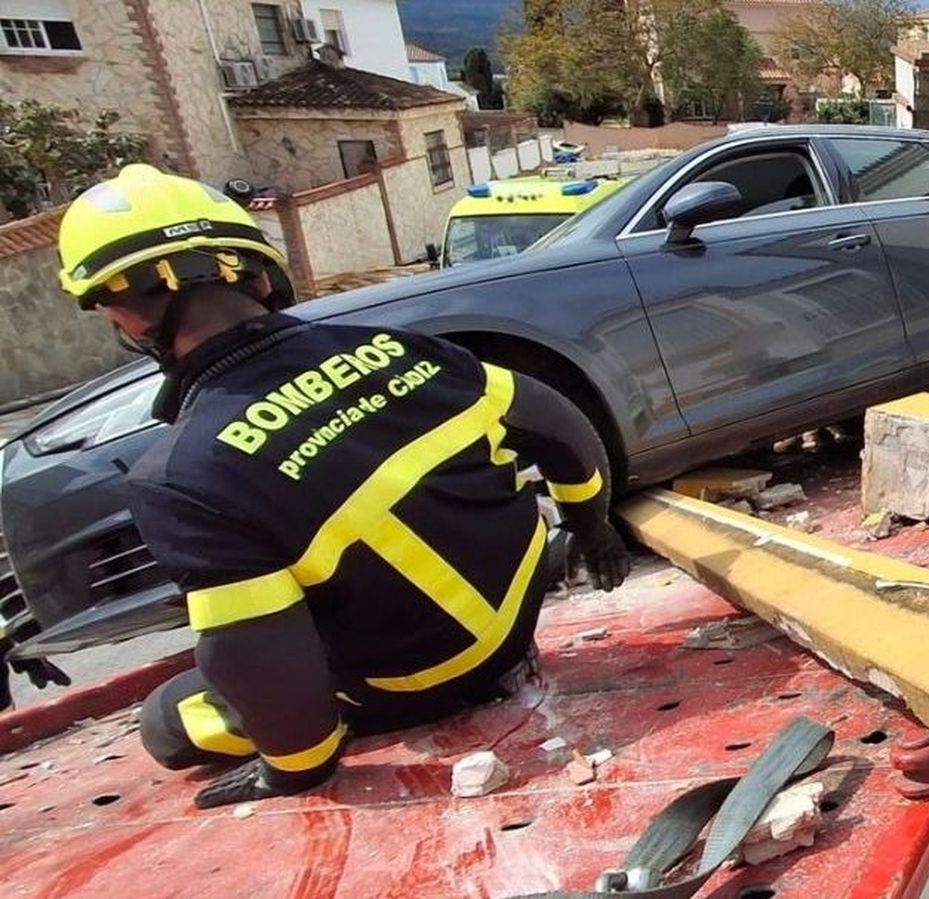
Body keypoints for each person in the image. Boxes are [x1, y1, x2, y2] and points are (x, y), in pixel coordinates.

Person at [55, 164, 630, 808]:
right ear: (263, 276)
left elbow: (257, 649)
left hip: (411, 682)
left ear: (129, 319)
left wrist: (296, 770)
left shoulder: (181, 477)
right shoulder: (404, 349)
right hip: (517, 623)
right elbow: (560, 429)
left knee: (167, 718)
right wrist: (591, 527)